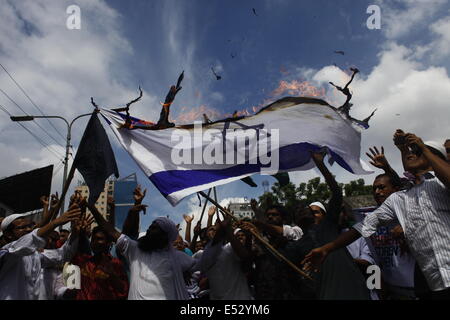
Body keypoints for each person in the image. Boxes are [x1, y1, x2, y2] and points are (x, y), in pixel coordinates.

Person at [302, 131, 450, 300]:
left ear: (434, 157)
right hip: (434, 286)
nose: (411, 153)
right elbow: (364, 226)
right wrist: (328, 248)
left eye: (417, 152)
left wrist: (423, 147)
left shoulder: (440, 185)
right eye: (410, 151)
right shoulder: (398, 198)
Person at [86, 192, 199, 300]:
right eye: (150, 226)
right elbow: (110, 231)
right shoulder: (135, 250)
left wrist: (184, 273)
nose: (149, 229)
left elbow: (203, 266)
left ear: (164, 236)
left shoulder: (177, 257)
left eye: (154, 228)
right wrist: (91, 207)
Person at [305, 151, 370, 300]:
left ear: (324, 215)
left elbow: (336, 192)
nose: (311, 214)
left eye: (315, 212)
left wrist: (320, 164)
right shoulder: (301, 238)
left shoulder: (327, 227)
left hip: (350, 290)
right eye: (308, 212)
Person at [0, 205, 81, 300]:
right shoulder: (6, 252)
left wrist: (75, 232)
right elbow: (28, 241)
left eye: (29, 226)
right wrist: (55, 222)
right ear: (8, 234)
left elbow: (61, 255)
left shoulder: (35, 256)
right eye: (22, 227)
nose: (29, 229)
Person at [200, 217, 253, 300]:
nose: (215, 230)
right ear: (205, 235)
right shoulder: (203, 254)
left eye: (217, 228)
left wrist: (228, 229)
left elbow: (244, 256)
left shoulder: (230, 247)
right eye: (211, 229)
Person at [71, 225, 129, 300]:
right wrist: (78, 233)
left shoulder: (115, 264)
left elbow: (124, 291)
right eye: (93, 239)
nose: (95, 242)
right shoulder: (83, 260)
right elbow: (68, 252)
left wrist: (112, 275)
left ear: (108, 243)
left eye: (99, 239)